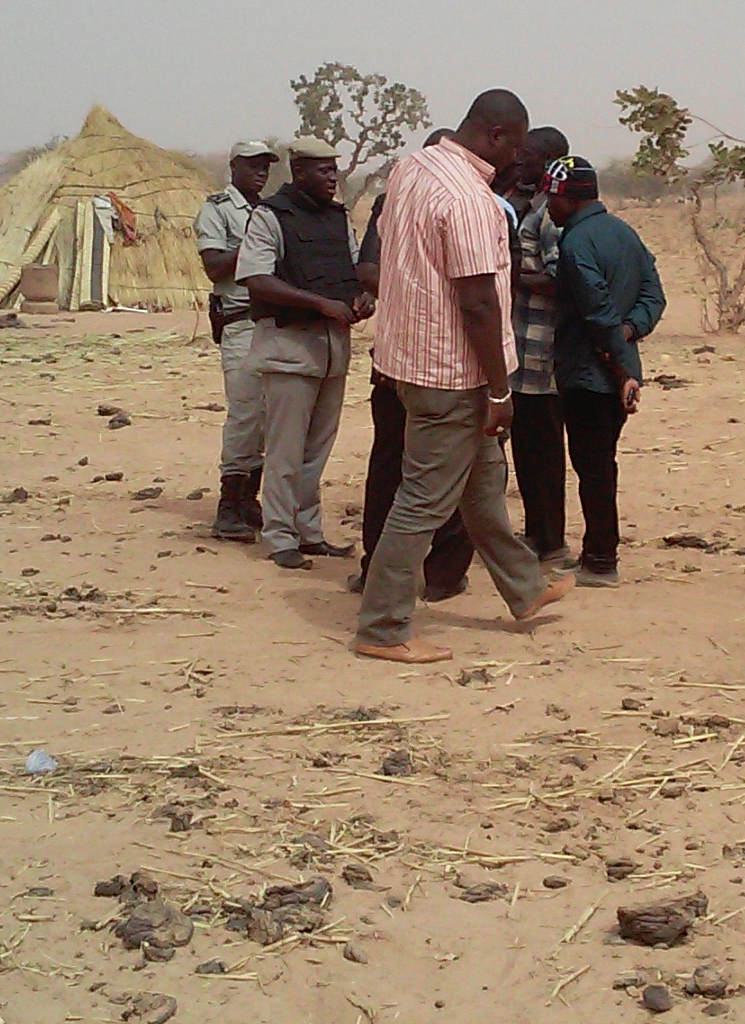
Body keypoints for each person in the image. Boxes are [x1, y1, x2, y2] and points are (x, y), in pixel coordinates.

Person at [353, 90, 574, 664]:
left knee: (482, 483)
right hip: (451, 373)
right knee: (423, 501)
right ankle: (383, 626)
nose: (518, 160)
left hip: (409, 359)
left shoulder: (412, 168)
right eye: (516, 148)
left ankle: (525, 587)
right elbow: (478, 301)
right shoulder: (470, 200)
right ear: (496, 136)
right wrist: (500, 389)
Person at [236, 137, 371, 570]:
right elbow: (257, 279)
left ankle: (308, 532)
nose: (333, 178)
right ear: (299, 171)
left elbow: (353, 269)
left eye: (334, 169)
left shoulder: (337, 218)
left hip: (332, 351)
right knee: (285, 452)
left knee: (316, 453)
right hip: (289, 351)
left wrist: (363, 297)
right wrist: (320, 304)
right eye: (323, 170)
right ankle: (279, 536)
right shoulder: (270, 216)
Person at [351, 140, 475, 601]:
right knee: (416, 474)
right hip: (430, 364)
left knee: (435, 473)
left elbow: (370, 271)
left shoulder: (408, 202)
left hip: (405, 360)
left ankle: (434, 573)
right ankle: (397, 579)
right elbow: (368, 270)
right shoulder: (455, 203)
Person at [544, 155, 665, 586]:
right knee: (600, 463)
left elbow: (597, 314)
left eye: (552, 197)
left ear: (570, 198)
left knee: (593, 467)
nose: (547, 206)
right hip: (616, 367)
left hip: (590, 373)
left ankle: (600, 559)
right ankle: (596, 552)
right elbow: (654, 297)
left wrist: (619, 361)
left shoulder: (576, 245)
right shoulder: (624, 233)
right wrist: (629, 334)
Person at [199, 142, 276, 541]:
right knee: (245, 411)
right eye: (252, 166)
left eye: (265, 167)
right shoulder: (217, 209)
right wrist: (255, 242)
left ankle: (249, 498)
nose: (260, 173)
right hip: (239, 320)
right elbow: (214, 267)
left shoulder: (268, 210)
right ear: (234, 167)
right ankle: (228, 504)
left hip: (270, 320)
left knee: (267, 414)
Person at [508, 127, 572, 563]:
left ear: (548, 161)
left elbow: (560, 279)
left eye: (527, 154)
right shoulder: (533, 205)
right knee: (529, 450)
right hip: (526, 350)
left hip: (542, 351)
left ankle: (550, 540)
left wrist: (509, 275)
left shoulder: (550, 215)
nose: (519, 159)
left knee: (543, 452)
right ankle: (538, 534)